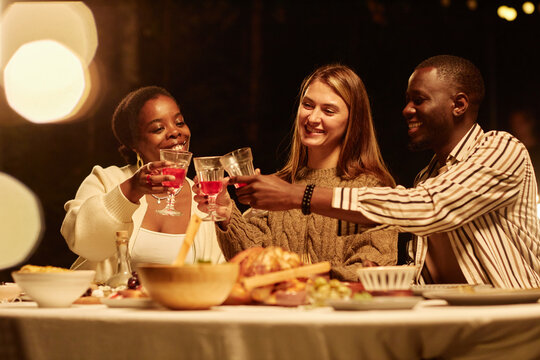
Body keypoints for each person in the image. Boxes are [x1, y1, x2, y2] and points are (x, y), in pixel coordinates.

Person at [231, 55, 540, 289]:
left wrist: (300, 195)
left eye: (419, 100)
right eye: (307, 105)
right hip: (457, 320)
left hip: (513, 316)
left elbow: (429, 206)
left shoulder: (502, 149)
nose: (406, 110)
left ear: (458, 105)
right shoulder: (428, 177)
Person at [194, 64, 398, 281]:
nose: (312, 118)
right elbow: (250, 264)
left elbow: (373, 268)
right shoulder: (278, 185)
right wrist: (226, 213)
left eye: (328, 110)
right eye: (308, 105)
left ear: (353, 121)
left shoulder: (370, 189)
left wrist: (300, 277)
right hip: (280, 311)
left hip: (337, 312)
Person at [61, 86, 224, 283]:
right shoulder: (106, 179)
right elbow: (85, 245)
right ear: (134, 144)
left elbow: (223, 270)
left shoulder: (206, 197)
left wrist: (226, 217)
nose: (175, 132)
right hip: (110, 309)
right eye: (158, 128)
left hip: (185, 310)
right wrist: (131, 190)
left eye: (179, 122)